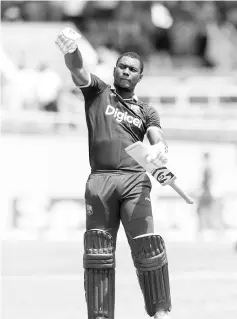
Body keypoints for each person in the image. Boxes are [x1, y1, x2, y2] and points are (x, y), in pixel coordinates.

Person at [55, 27, 171, 319]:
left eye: (133, 69)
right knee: (98, 252)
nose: (126, 72)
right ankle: (100, 315)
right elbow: (78, 68)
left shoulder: (147, 111)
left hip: (134, 181)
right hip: (100, 180)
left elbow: (157, 138)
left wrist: (159, 151)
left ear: (139, 77)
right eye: (122, 67)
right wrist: (71, 49)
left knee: (147, 246)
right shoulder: (98, 92)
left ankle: (160, 312)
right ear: (114, 69)